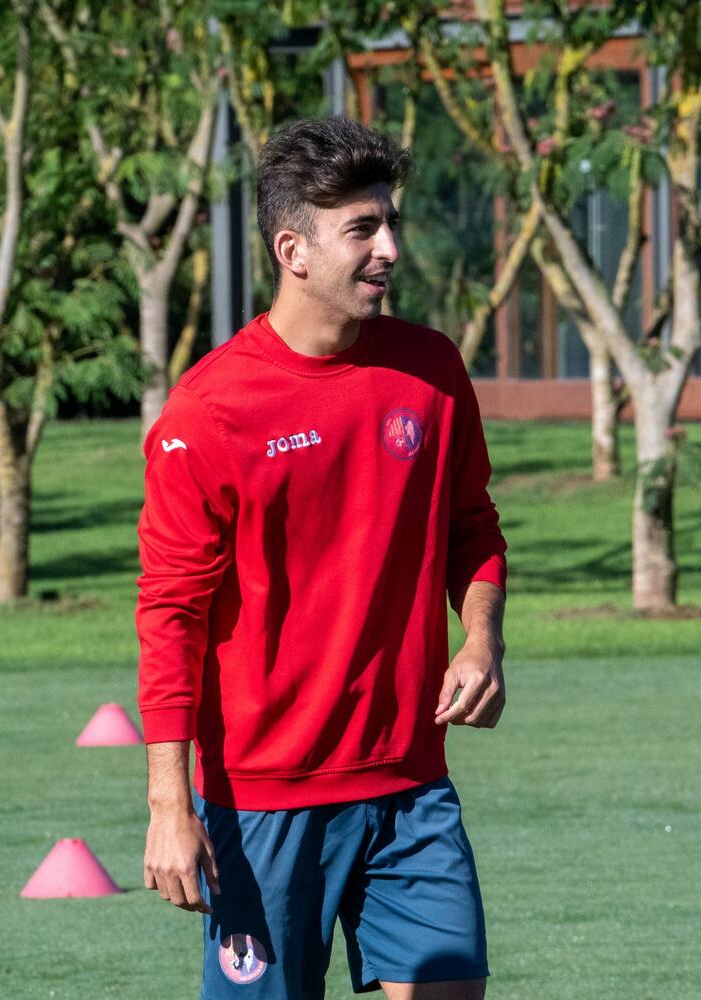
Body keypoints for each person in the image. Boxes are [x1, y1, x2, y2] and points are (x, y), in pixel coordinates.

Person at [137, 116, 508, 999]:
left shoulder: (432, 371)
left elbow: (472, 527)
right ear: (292, 250)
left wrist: (482, 639)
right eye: (363, 229)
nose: (390, 249)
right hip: (262, 799)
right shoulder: (209, 411)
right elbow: (172, 614)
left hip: (411, 784)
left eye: (390, 223)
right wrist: (169, 804)